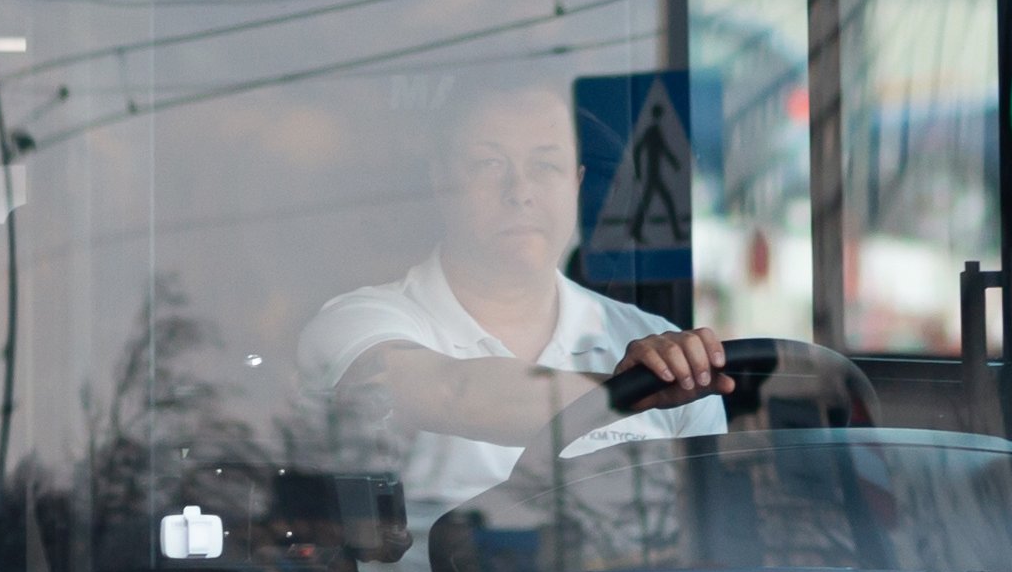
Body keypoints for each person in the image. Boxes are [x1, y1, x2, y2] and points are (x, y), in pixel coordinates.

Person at [293, 74, 727, 535]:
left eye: (546, 166)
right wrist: (625, 392)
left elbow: (713, 534)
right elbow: (447, 392)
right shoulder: (357, 324)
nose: (520, 191)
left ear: (576, 183)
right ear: (441, 181)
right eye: (488, 164)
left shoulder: (660, 354)